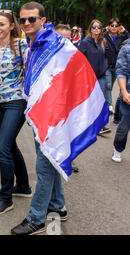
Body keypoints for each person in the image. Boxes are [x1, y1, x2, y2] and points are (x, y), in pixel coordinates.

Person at [11, 2, 67, 235]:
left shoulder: (51, 43)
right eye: (22, 20)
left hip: (52, 114)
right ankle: (57, 206)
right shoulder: (35, 43)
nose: (26, 24)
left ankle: (36, 219)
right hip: (42, 111)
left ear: (42, 20)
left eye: (31, 19)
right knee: (50, 161)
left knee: (43, 167)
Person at [0, 9, 31, 215]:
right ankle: (23, 186)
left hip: (16, 102)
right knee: (10, 145)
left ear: (12, 26)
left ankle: (5, 198)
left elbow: (32, 72)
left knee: (2, 147)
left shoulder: (21, 45)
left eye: (2, 24)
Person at [54, 24, 79, 174]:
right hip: (51, 104)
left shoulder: (75, 55)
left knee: (68, 132)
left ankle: (70, 158)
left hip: (69, 102)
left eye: (68, 38)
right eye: (60, 38)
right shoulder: (47, 56)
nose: (65, 41)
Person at [78, 19, 111, 135]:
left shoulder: (104, 41)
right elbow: (79, 58)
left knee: (101, 99)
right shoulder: (85, 42)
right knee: (89, 100)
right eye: (94, 27)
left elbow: (108, 55)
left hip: (101, 75)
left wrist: (105, 66)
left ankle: (101, 126)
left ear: (101, 29)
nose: (96, 29)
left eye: (98, 27)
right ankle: (85, 124)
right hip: (88, 77)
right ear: (90, 29)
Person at [104, 18, 128, 115]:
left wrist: (125, 31)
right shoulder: (104, 36)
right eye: (112, 25)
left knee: (116, 86)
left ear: (119, 27)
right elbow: (95, 36)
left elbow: (129, 41)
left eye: (116, 26)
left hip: (118, 67)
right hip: (107, 66)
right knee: (108, 86)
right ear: (108, 27)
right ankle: (110, 106)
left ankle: (116, 110)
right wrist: (103, 30)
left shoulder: (121, 37)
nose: (114, 27)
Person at [111, 38, 130, 163]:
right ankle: (118, 148)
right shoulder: (127, 49)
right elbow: (122, 71)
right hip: (128, 96)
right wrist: (124, 92)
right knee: (124, 126)